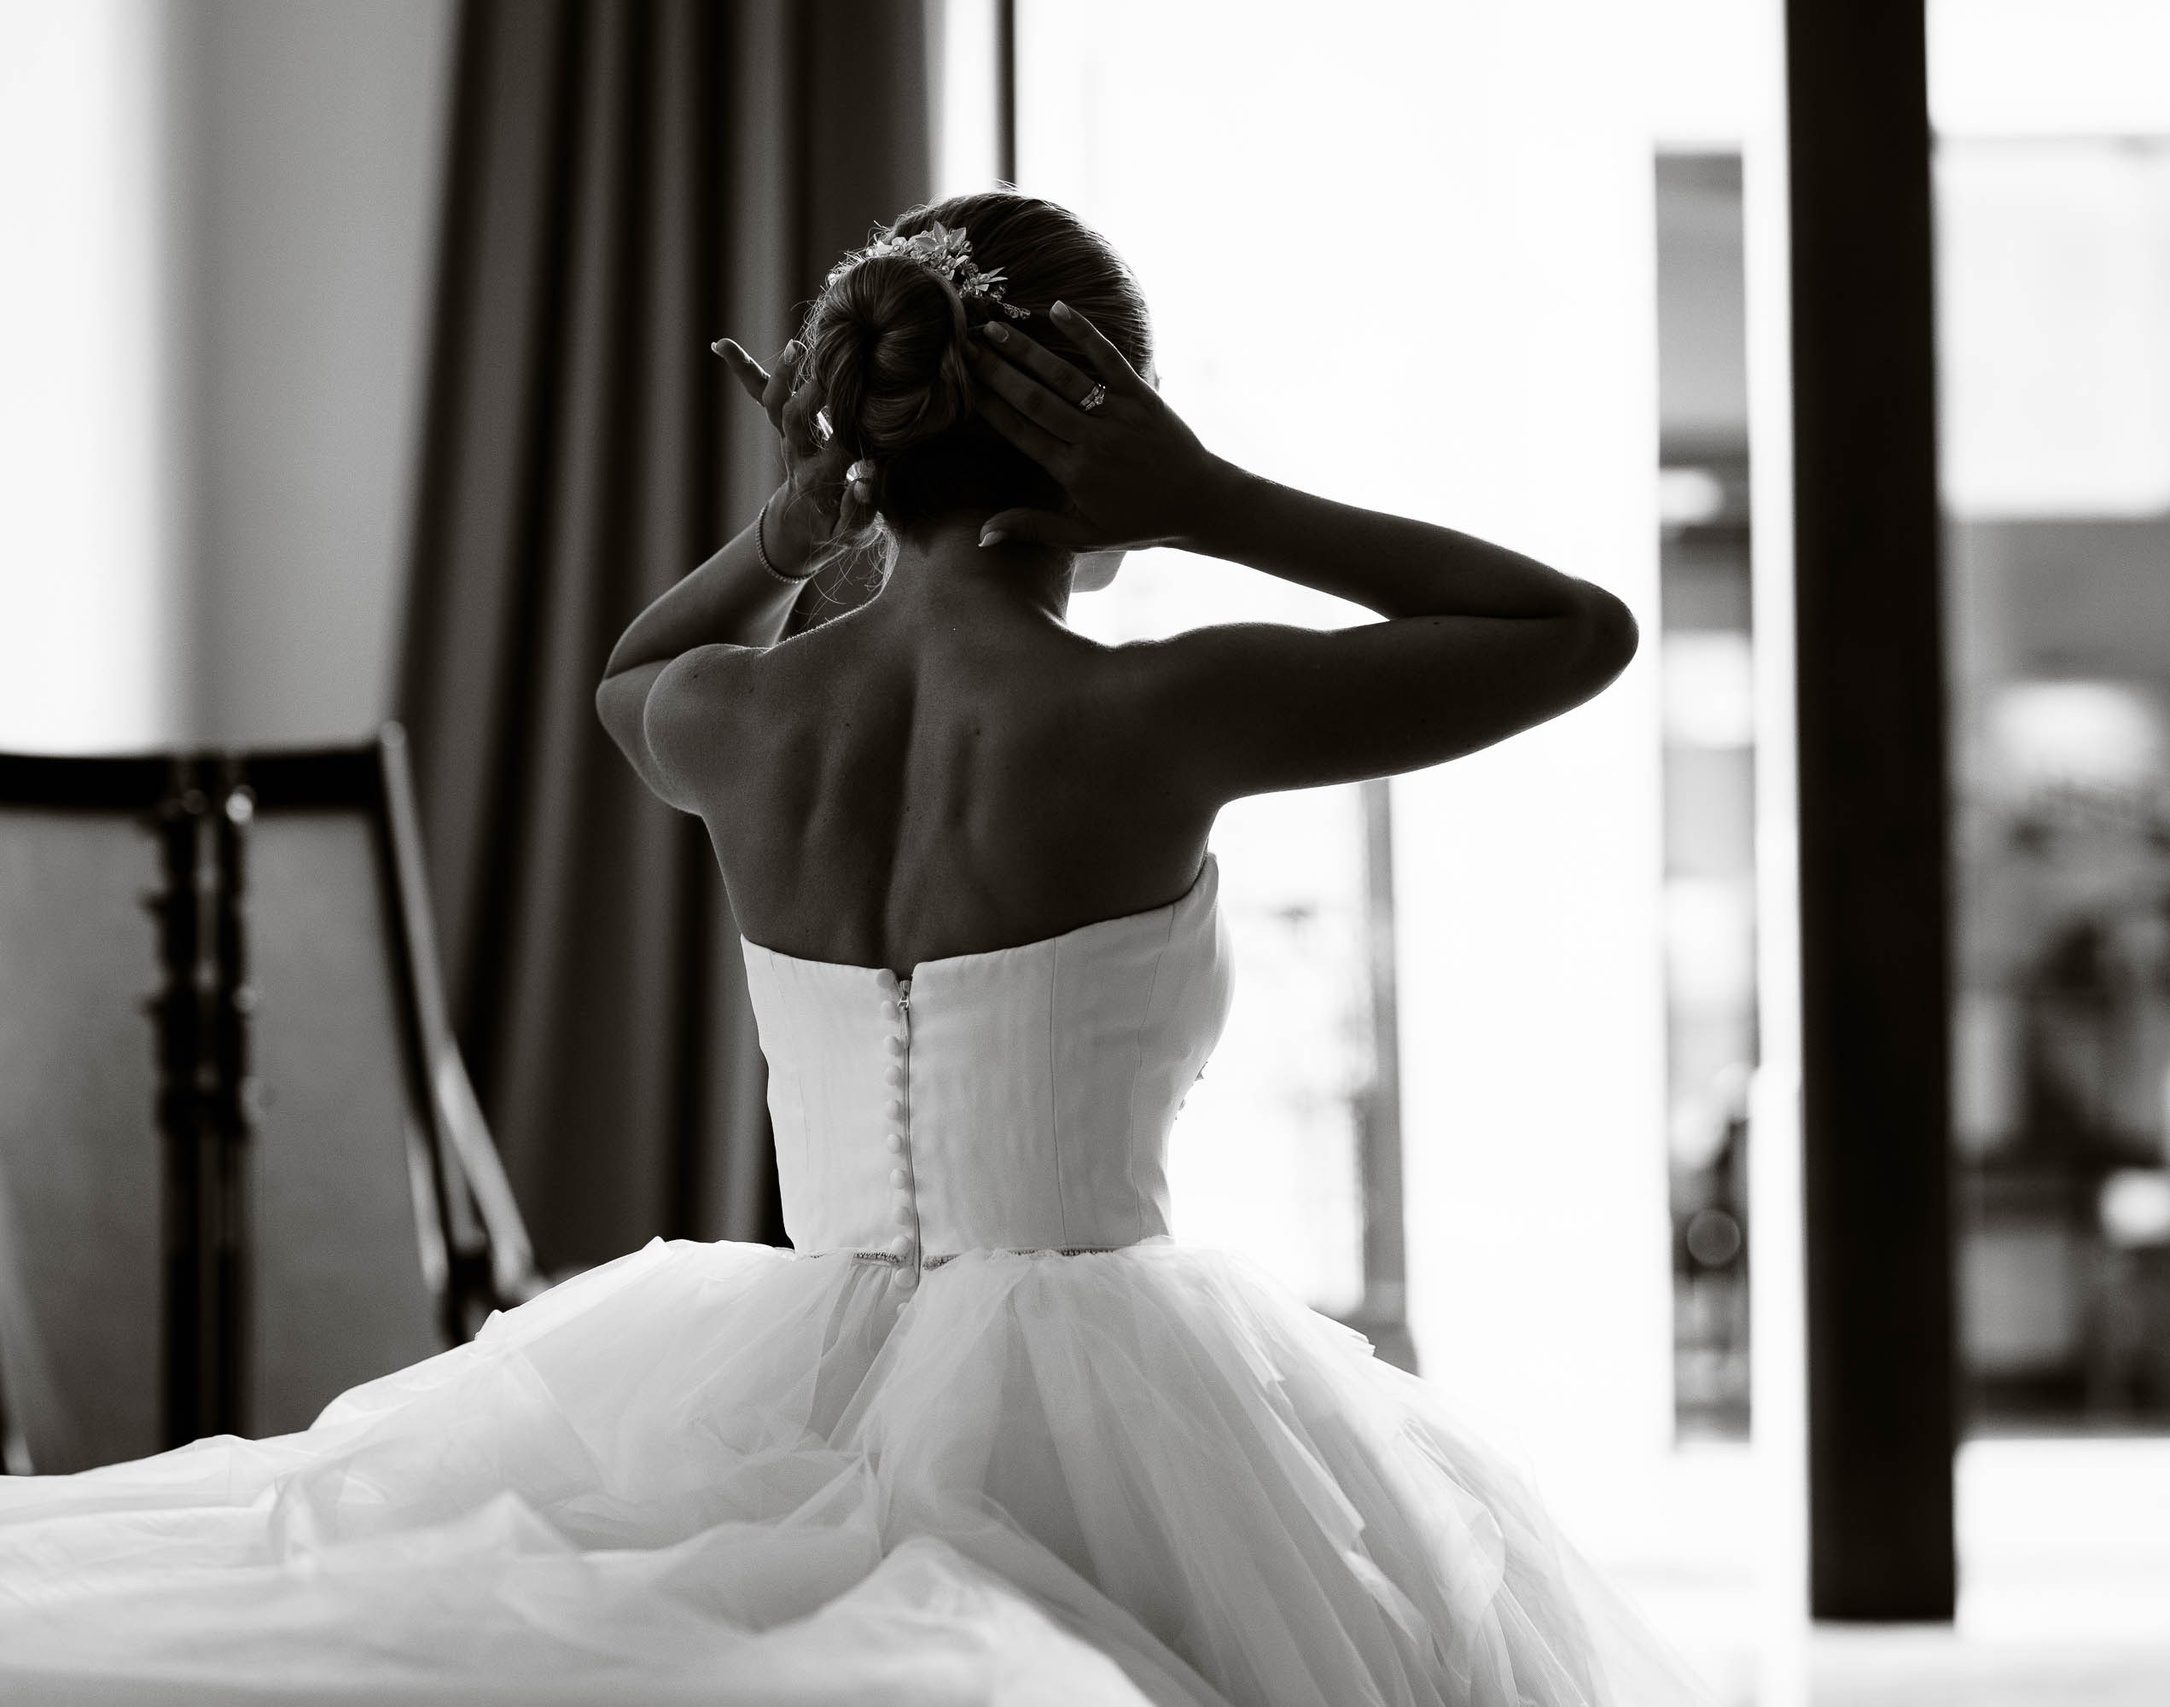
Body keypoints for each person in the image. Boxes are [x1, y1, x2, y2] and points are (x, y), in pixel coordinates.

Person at [0, 192, 1699, 1707]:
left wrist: (786, 537)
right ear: (1096, 436)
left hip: (781, 1376)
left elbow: (623, 676)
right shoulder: (1162, 712)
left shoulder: (735, 714)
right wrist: (1211, 499)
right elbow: (1574, 631)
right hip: (1109, 1399)